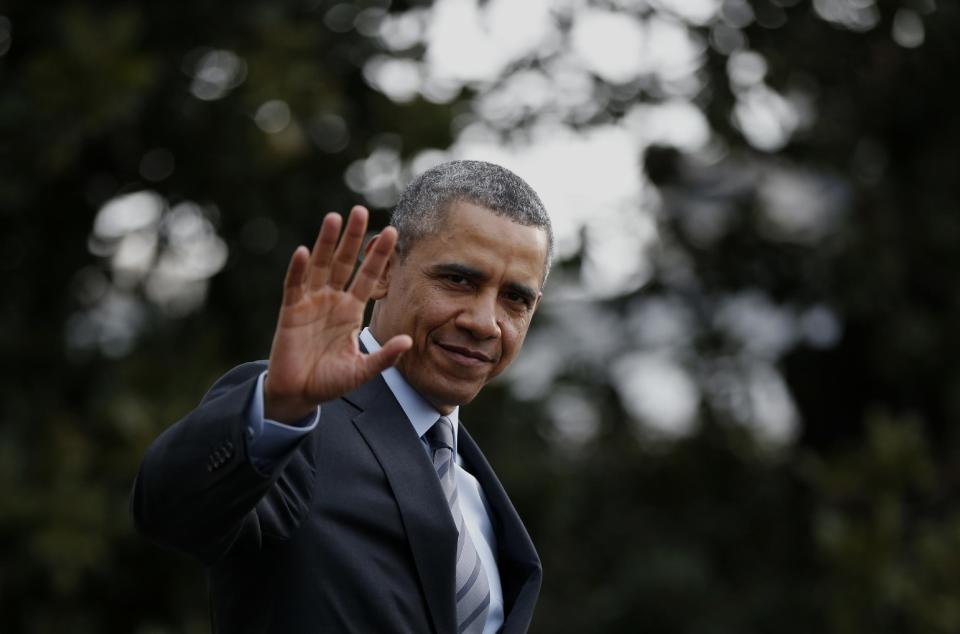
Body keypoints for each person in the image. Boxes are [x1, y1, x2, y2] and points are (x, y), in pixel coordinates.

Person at [131, 160, 553, 634]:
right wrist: (279, 408)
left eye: (515, 299)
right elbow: (170, 511)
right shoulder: (294, 423)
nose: (485, 321)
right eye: (459, 280)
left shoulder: (475, 490)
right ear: (384, 269)